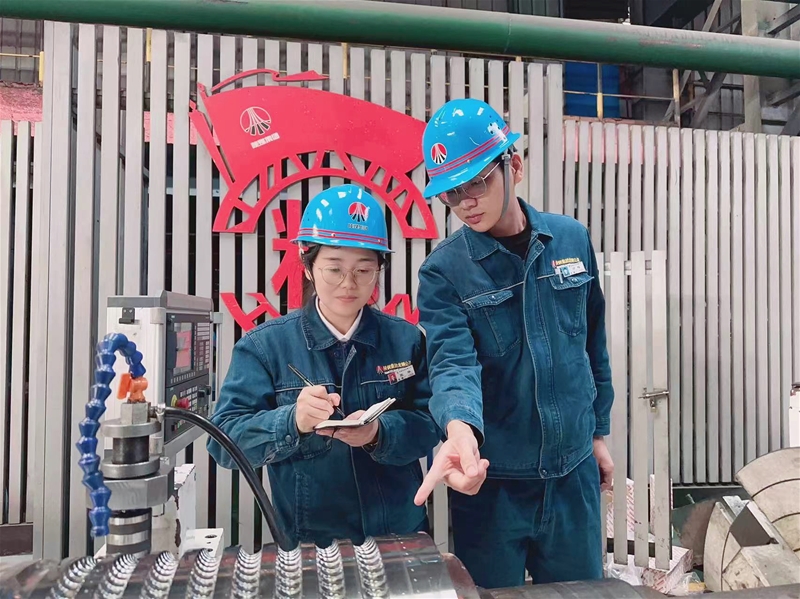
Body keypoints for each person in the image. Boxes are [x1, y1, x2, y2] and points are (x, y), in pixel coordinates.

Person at [412, 98, 615, 588]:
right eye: (452, 193)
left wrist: (597, 433)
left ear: (514, 166)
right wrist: (460, 430)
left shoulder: (571, 239)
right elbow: (451, 362)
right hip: (492, 485)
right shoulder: (444, 272)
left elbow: (592, 344)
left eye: (477, 182)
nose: (466, 202)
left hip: (572, 480)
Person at [208, 184, 442, 548]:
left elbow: (431, 424)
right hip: (311, 545)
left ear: (379, 269)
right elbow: (223, 442)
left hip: (400, 534)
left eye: (364, 270)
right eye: (334, 269)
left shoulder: (406, 340)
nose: (349, 284)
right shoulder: (265, 347)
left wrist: (378, 433)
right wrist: (292, 421)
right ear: (307, 266)